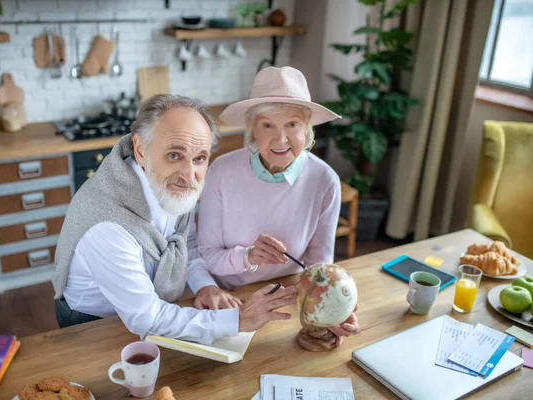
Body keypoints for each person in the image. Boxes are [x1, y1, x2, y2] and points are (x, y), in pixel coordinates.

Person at [52, 94, 296, 345]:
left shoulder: (169, 186)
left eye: (200, 158)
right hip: (94, 324)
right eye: (174, 156)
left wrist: (204, 285)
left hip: (149, 311)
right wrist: (238, 320)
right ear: (140, 150)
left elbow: (185, 243)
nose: (189, 175)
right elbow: (148, 318)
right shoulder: (107, 224)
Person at [197, 67, 358, 344]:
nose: (281, 139)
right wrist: (248, 256)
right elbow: (207, 254)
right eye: (268, 125)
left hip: (291, 301)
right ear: (252, 129)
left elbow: (319, 265)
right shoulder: (221, 171)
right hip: (233, 303)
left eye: (292, 125)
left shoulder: (325, 180)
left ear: (307, 127)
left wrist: (329, 310)